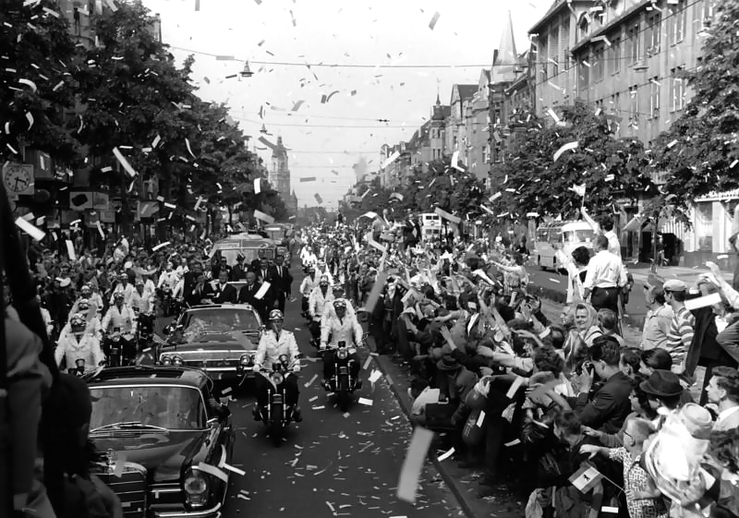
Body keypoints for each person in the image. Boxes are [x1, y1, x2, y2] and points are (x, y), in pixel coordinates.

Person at [580, 418, 667, 518]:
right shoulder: (626, 453)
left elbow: (660, 490)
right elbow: (611, 453)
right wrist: (598, 449)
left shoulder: (649, 462)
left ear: (631, 440)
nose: (622, 435)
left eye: (625, 432)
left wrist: (641, 495)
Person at [568, 336, 634, 434]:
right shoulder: (627, 380)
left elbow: (581, 419)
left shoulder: (609, 391)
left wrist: (584, 389)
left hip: (603, 439)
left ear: (602, 364)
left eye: (594, 365)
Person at [252, 309, 302, 422]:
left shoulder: (289, 336)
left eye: (279, 321)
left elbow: (294, 351)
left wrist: (296, 364)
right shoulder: (265, 336)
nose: (277, 324)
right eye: (274, 321)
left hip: (285, 370)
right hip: (269, 370)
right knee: (260, 386)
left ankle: (294, 408)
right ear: (270, 323)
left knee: (293, 385)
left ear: (282, 322)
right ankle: (260, 408)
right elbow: (261, 351)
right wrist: (257, 364)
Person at [320, 299, 363, 390]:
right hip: (334, 347)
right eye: (338, 309)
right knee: (327, 361)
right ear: (335, 310)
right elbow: (326, 331)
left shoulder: (351, 319)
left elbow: (357, 329)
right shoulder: (331, 320)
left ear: (345, 310)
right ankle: (327, 379)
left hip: (349, 347)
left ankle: (355, 378)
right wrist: (323, 342)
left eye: (342, 309)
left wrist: (359, 341)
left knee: (356, 362)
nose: (340, 311)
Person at [582, 235, 627, 314]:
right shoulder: (616, 259)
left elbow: (590, 280)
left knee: (598, 316)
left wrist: (585, 296)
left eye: (594, 244)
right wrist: (617, 288)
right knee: (612, 316)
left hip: (599, 292)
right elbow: (623, 280)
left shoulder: (594, 260)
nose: (592, 246)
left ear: (599, 245)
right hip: (612, 292)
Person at [663, 279, 695, 375]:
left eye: (665, 293)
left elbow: (689, 345)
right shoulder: (684, 313)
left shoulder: (682, 318)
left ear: (670, 295)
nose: (664, 296)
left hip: (676, 364)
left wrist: (683, 368)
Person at [641, 282, 673, 350]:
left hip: (658, 357)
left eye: (647, 295)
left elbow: (672, 339)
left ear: (652, 299)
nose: (644, 297)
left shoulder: (663, 316)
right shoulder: (651, 315)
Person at [706, 367, 739, 431]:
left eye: (710, 386)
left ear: (722, 392)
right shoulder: (728, 416)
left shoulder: (733, 427)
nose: (706, 388)